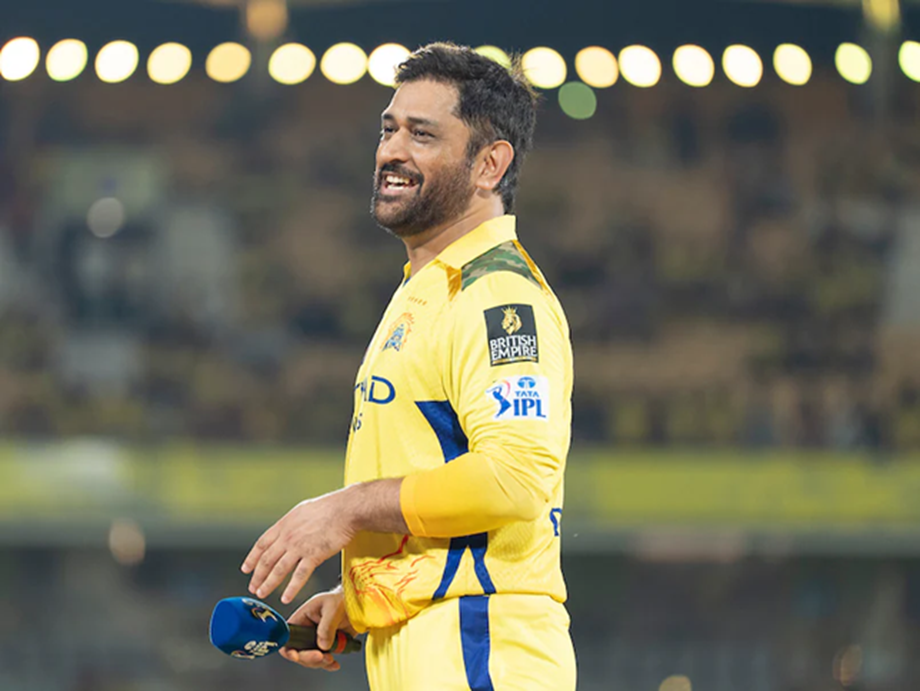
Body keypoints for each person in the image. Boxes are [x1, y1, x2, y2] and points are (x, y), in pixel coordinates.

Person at [241, 42, 576, 690]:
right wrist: (370, 590)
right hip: (443, 644)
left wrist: (347, 509)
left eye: (422, 135)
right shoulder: (426, 292)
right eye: (388, 129)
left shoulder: (498, 298)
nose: (391, 151)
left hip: (480, 651)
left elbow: (514, 477)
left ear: (489, 165)